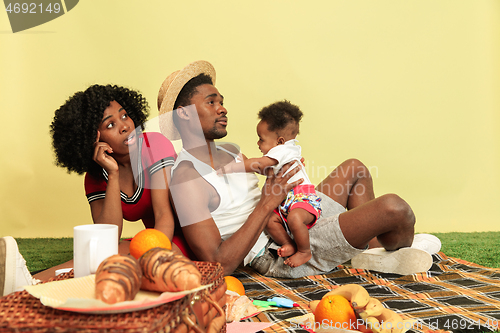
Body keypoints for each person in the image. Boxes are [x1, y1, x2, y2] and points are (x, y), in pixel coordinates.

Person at [157, 60, 439, 278]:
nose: (222, 109)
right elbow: (219, 263)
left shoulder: (230, 150)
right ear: (184, 113)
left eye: (221, 101)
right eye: (211, 102)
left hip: (287, 214)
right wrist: (268, 203)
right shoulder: (186, 178)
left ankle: (374, 251)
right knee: (394, 208)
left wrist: (287, 170)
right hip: (277, 251)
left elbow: (266, 176)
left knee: (356, 168)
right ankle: (394, 250)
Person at [219, 100, 321, 268]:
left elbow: (259, 164)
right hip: (285, 203)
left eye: (261, 139)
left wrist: (231, 168)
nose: (258, 144)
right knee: (269, 220)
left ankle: (304, 251)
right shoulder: (281, 153)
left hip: (301, 198)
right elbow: (266, 171)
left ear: (280, 141)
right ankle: (288, 243)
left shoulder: (285, 150)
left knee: (295, 219)